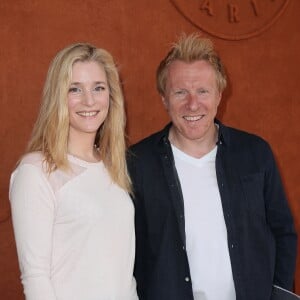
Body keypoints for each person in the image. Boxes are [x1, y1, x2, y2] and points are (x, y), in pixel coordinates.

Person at [128, 33, 297, 300]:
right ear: (163, 99)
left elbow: (284, 232)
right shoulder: (137, 163)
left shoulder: (255, 153)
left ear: (219, 95)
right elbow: (125, 250)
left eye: (203, 91)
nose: (192, 104)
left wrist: (281, 294)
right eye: (180, 92)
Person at [9, 43, 138, 300]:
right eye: (75, 89)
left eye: (98, 88)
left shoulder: (114, 166)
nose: (89, 100)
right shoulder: (36, 172)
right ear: (57, 96)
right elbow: (35, 278)